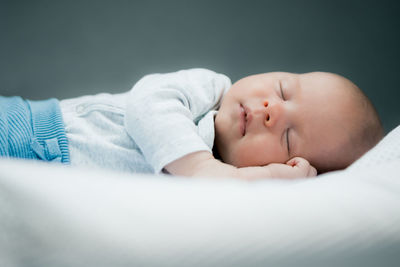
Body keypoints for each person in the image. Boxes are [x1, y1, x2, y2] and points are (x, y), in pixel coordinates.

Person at [0, 68, 383, 180]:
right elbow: (146, 102)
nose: (272, 110)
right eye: (283, 89)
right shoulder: (211, 90)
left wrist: (257, 181)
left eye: (288, 137)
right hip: (35, 133)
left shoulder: (227, 189)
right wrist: (203, 167)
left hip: (50, 181)